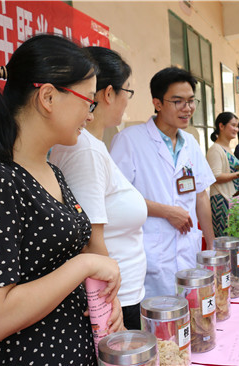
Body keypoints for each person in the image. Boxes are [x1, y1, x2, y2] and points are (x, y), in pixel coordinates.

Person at [0, 34, 123, 365]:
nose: (90, 115)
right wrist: (85, 265)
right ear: (48, 97)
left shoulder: (52, 171)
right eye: (87, 101)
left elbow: (58, 261)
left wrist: (103, 295)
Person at [49, 46, 148, 330]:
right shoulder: (85, 150)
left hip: (119, 293)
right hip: (112, 299)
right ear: (107, 93)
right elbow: (89, 238)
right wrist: (108, 303)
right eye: (127, 93)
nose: (127, 102)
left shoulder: (93, 146)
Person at [110, 67, 216, 297]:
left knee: (189, 316)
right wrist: (166, 211)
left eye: (190, 101)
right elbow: (116, 199)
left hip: (187, 249)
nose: (187, 108)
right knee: (158, 323)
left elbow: (200, 196)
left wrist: (212, 244)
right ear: (157, 104)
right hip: (151, 253)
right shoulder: (129, 140)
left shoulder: (191, 144)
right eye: (178, 101)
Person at [206, 112, 239, 237]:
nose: (236, 129)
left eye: (237, 126)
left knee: (233, 240)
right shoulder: (215, 149)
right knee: (225, 241)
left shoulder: (228, 149)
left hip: (231, 199)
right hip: (221, 200)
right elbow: (215, 176)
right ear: (221, 126)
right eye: (233, 125)